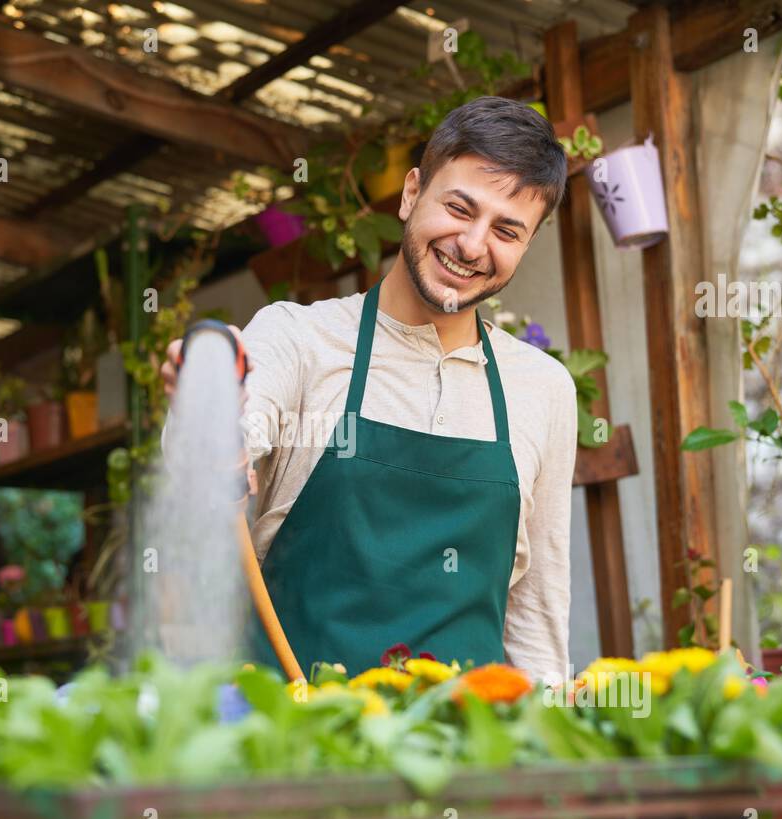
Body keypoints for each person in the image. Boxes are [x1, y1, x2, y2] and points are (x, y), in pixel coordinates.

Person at [161, 96, 577, 683]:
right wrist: (205, 406)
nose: (473, 245)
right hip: (299, 745)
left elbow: (536, 610)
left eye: (506, 230)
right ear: (412, 194)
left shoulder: (543, 389)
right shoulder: (299, 339)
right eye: (460, 208)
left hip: (469, 752)